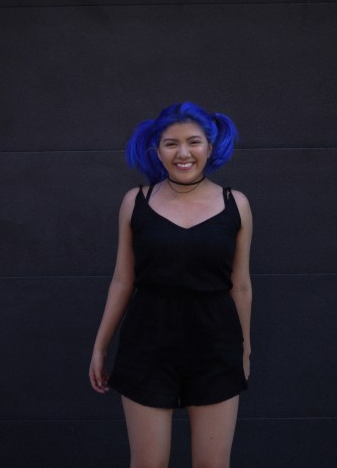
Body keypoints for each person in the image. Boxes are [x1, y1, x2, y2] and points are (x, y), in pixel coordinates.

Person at [89, 101, 253, 468]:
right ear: (155, 149)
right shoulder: (136, 202)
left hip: (215, 344)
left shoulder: (236, 204)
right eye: (171, 143)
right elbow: (122, 280)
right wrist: (100, 346)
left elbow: (240, 286)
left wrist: (244, 349)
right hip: (147, 343)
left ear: (210, 147)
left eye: (193, 142)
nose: (183, 153)